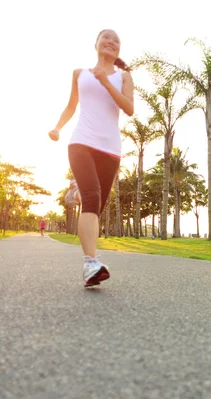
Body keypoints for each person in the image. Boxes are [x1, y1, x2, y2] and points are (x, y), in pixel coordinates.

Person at [48, 29, 134, 287]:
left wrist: (106, 82)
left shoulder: (123, 77)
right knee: (93, 197)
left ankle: (76, 193)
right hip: (81, 142)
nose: (111, 41)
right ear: (95, 44)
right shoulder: (79, 74)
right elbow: (71, 106)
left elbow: (129, 108)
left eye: (116, 40)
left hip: (110, 149)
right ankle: (90, 263)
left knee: (95, 206)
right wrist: (57, 127)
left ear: (118, 50)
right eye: (105, 37)